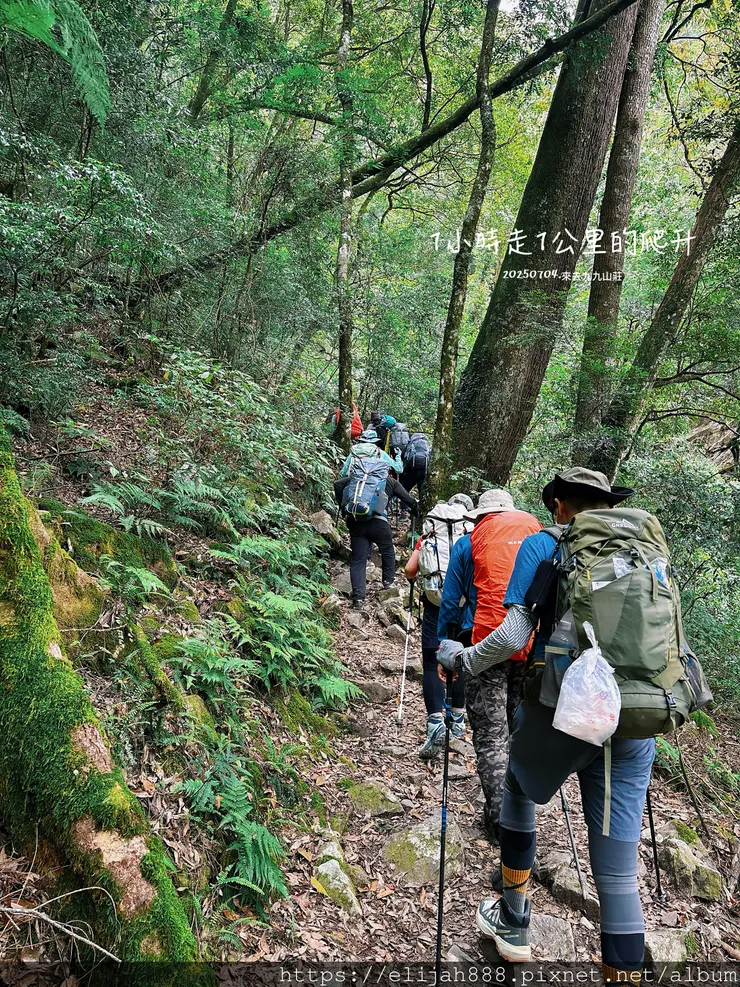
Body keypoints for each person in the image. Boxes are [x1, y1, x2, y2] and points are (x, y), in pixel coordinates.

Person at [438, 468, 652, 982]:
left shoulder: (544, 545)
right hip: (632, 718)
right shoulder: (643, 549)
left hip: (562, 715)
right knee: (619, 877)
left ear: (559, 505)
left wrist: (463, 660)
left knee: (516, 789)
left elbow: (514, 635)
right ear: (607, 505)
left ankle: (514, 920)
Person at [461, 489, 542, 844]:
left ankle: (502, 826)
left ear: (481, 515)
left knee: (491, 736)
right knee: (518, 734)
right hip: (530, 642)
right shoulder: (538, 533)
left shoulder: (473, 538)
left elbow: (454, 596)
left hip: (488, 642)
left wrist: (448, 648)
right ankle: (521, 818)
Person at [405, 493, 472, 759]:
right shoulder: (472, 537)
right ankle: (456, 722)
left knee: (433, 663)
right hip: (464, 607)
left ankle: (434, 723)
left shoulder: (430, 535)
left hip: (435, 605)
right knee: (460, 660)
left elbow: (410, 570)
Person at [334, 430, 417, 610]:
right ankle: (387, 583)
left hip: (357, 522)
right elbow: (409, 500)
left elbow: (338, 484)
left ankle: (358, 600)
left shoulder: (357, 477)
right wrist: (415, 509)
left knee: (358, 560)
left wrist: (343, 506)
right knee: (387, 550)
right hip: (379, 523)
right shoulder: (388, 480)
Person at [338, 428, 403, 478]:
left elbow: (343, 473)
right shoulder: (380, 453)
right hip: (375, 482)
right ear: (375, 441)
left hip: (354, 479)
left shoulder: (354, 452)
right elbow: (398, 469)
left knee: (337, 484)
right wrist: (398, 456)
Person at [399, 431, 431, 498]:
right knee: (421, 491)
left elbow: (402, 456)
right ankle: (422, 506)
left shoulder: (411, 444)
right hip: (423, 470)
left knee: (405, 489)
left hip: (411, 470)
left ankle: (404, 507)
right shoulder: (427, 445)